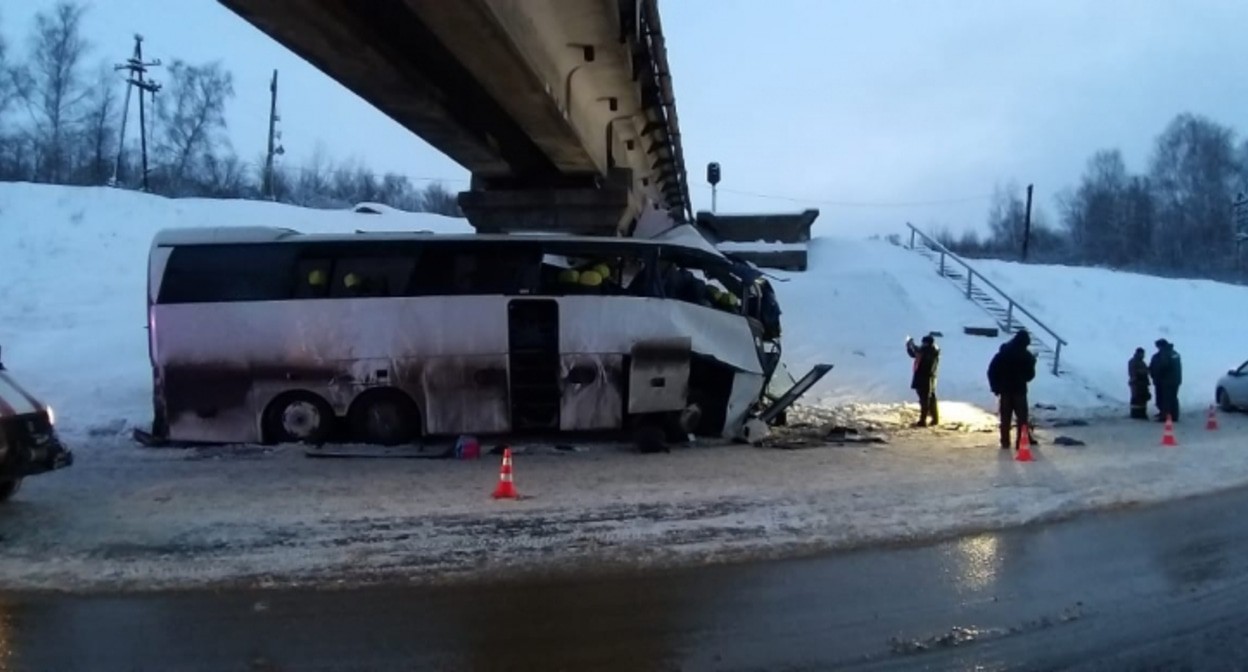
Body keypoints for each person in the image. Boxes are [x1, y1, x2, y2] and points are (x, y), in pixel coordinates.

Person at [988, 330, 1037, 450]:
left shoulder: (1003, 353)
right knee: (1022, 419)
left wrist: (995, 387)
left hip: (1004, 391)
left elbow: (991, 371)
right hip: (1019, 391)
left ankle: (1005, 441)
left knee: (1005, 418)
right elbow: (1029, 376)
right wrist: (1032, 364)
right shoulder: (1026, 356)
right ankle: (1021, 442)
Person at [905, 334, 940, 427]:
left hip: (924, 378)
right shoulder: (933, 350)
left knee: (924, 399)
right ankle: (934, 419)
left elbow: (918, 352)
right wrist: (910, 346)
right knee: (930, 398)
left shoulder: (929, 351)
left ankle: (923, 420)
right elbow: (914, 354)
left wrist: (911, 345)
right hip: (930, 378)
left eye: (924, 343)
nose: (922, 344)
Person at [1149, 339, 1182, 422]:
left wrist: (1154, 374)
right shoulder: (1175, 353)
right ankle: (1174, 415)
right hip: (1175, 380)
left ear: (1161, 346)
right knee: (1173, 398)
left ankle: (1165, 416)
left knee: (1164, 399)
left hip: (1165, 381)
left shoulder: (1164, 354)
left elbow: (1163, 366)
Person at [1128, 347, 1151, 420]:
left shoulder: (1141, 362)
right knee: (1136, 399)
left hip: (1142, 383)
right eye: (1142, 354)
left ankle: (1142, 413)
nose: (1143, 355)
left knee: (1143, 399)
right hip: (1137, 383)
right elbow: (1134, 372)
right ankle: (1136, 414)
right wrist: (1145, 371)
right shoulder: (1133, 361)